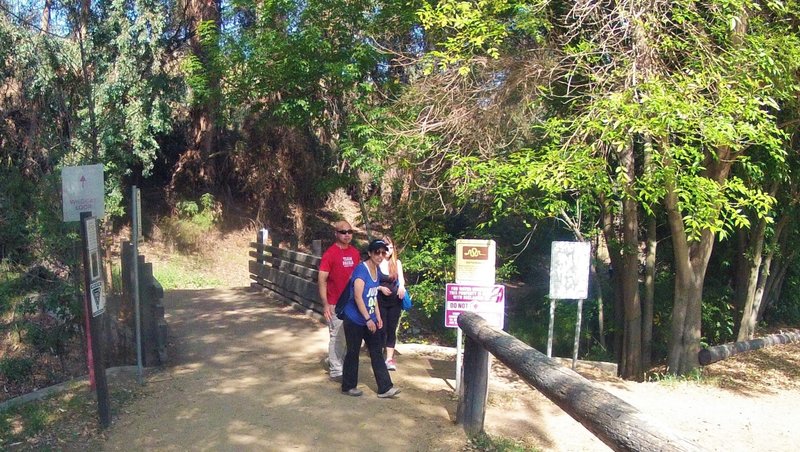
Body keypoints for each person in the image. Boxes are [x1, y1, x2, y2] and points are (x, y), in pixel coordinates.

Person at [340, 239, 401, 398]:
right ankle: (349, 386)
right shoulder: (362, 270)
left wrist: (377, 316)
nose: (380, 256)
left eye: (383, 252)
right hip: (354, 318)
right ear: (369, 253)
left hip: (370, 317)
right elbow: (358, 297)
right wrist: (368, 319)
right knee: (353, 351)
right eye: (377, 252)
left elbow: (373, 295)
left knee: (376, 350)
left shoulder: (377, 270)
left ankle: (385, 387)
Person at [318, 220, 361, 382]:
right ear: (336, 233)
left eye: (350, 232)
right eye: (343, 232)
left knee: (348, 336)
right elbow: (322, 279)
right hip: (335, 301)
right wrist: (325, 303)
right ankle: (336, 370)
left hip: (352, 303)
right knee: (336, 335)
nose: (347, 235)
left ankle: (336, 361)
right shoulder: (330, 254)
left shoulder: (355, 253)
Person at [377, 235, 406, 371]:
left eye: (389, 247)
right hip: (380, 301)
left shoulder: (397, 263)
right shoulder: (376, 263)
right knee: (381, 328)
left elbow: (401, 280)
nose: (387, 250)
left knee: (391, 329)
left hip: (395, 301)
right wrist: (381, 288)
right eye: (384, 247)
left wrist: (401, 287)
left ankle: (389, 358)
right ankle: (378, 354)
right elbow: (371, 283)